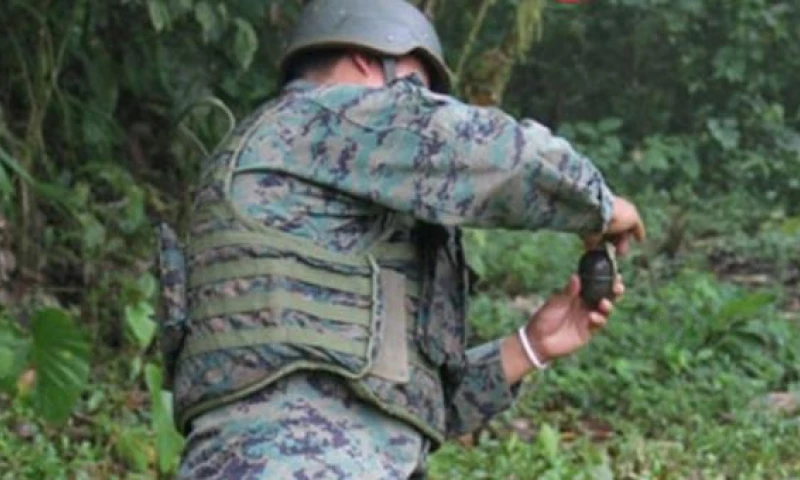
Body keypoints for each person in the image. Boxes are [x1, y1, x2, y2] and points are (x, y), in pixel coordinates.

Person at [155, 0, 646, 478]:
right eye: (416, 89)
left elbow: (387, 410)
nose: (421, 106)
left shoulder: (306, 188)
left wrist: (530, 346)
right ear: (366, 60)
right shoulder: (320, 117)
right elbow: (489, 152)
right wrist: (598, 204)